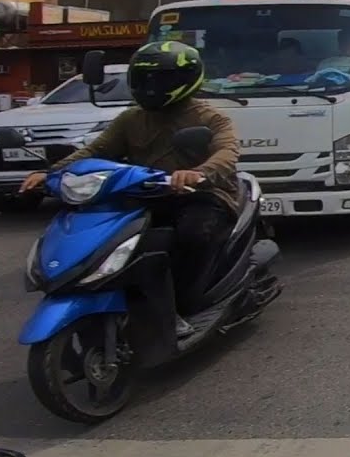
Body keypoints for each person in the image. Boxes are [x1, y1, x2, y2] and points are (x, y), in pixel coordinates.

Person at [20, 41, 241, 337]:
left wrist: (198, 173)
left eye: (161, 79)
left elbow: (227, 152)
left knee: (192, 235)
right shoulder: (131, 118)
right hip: (144, 194)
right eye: (145, 79)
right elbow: (95, 151)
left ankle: (183, 305)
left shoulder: (210, 118)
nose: (151, 86)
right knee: (107, 237)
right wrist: (50, 173)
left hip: (200, 195)